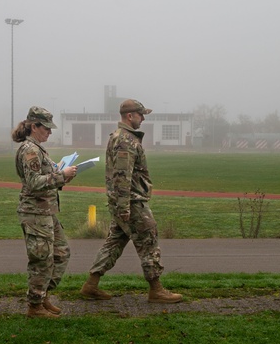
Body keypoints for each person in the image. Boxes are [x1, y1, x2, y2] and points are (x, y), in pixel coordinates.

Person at [80, 99, 182, 304]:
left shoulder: (119, 137)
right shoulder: (125, 140)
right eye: (140, 114)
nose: (143, 118)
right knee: (148, 239)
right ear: (129, 116)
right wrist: (124, 207)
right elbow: (122, 176)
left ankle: (91, 285)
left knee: (115, 242)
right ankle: (156, 289)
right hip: (132, 202)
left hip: (124, 202)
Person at [13, 106, 78, 318]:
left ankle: (42, 296)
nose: (50, 132)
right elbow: (33, 183)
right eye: (46, 128)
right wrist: (61, 176)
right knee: (41, 259)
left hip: (46, 211)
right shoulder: (30, 150)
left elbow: (43, 176)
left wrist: (61, 171)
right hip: (35, 213)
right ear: (34, 126)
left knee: (61, 252)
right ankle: (35, 306)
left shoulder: (38, 148)